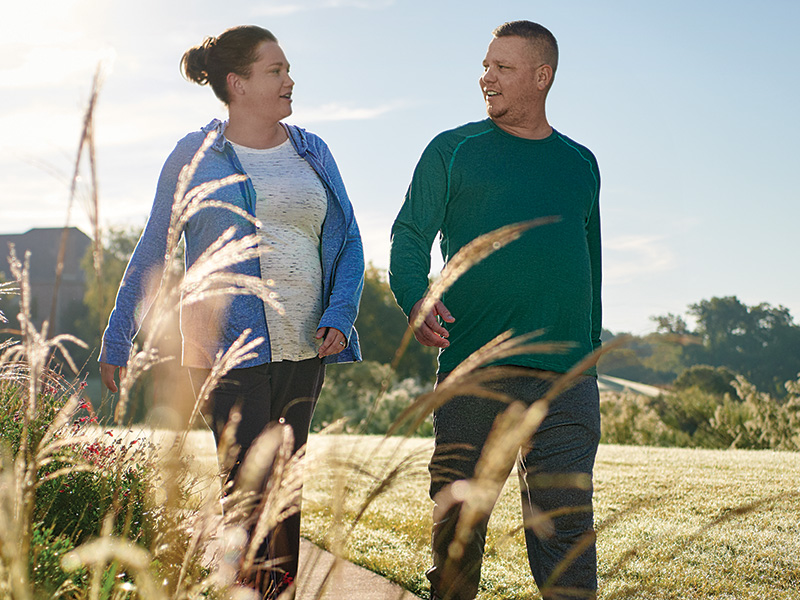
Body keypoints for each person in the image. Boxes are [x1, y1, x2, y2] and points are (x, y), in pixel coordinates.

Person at [99, 25, 364, 599]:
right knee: (248, 482)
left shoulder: (312, 150)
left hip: (305, 344)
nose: (290, 80)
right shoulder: (196, 155)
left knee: (286, 481)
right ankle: (245, 587)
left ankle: (275, 590)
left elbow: (347, 238)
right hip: (226, 346)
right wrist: (118, 339)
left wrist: (341, 313)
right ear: (238, 84)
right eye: (276, 71)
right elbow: (153, 249)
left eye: (288, 69)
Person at [389, 20, 602, 600]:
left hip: (567, 380)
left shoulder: (581, 164)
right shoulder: (452, 151)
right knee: (459, 527)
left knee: (567, 530)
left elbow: (592, 262)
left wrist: (590, 354)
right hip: (473, 370)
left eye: (502, 68)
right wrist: (414, 295)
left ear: (542, 76)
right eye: (486, 66)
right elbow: (410, 234)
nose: (486, 78)